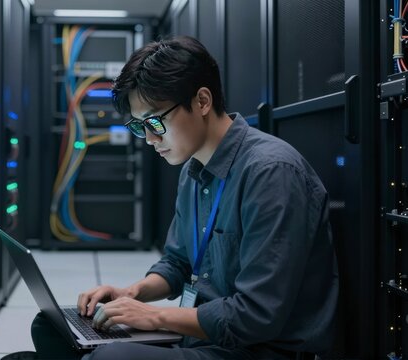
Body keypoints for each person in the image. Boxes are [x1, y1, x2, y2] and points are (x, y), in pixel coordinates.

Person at [29, 35, 338, 360]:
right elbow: (178, 263)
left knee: (112, 357)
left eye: (154, 121)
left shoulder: (271, 172)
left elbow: (257, 315)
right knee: (51, 326)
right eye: (138, 126)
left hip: (256, 350)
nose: (148, 139)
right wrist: (132, 293)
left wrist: (155, 317)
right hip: (201, 337)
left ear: (202, 101)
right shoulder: (193, 170)